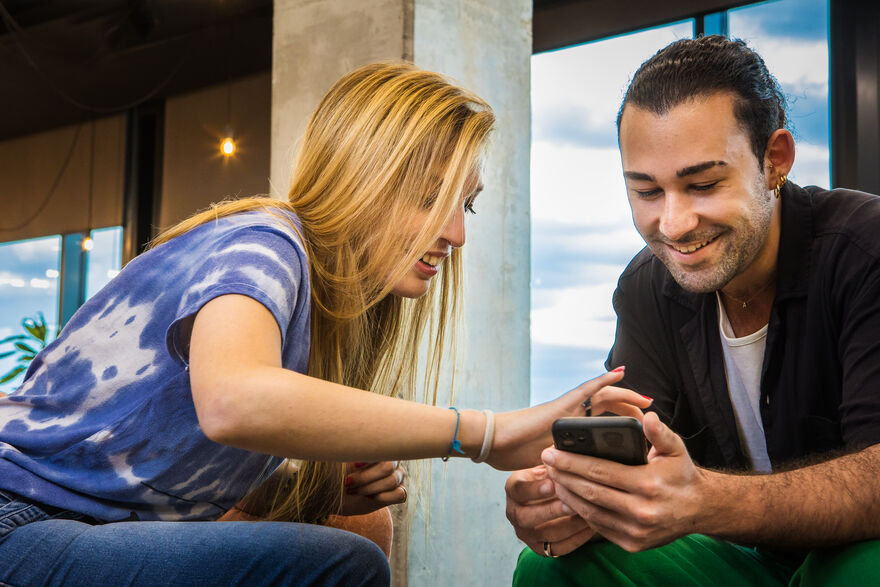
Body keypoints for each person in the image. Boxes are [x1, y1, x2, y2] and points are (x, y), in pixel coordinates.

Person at [0, 62, 645, 586]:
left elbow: (164, 460)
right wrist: (485, 434)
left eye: (465, 206)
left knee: (359, 530)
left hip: (78, 525)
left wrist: (306, 490)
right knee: (345, 564)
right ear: (363, 178)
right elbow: (231, 401)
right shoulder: (267, 243)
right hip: (19, 521)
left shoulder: (318, 297)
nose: (455, 233)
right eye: (428, 197)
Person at [507, 35, 880, 585]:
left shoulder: (866, 250)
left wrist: (707, 501)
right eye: (647, 192)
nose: (674, 225)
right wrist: (573, 498)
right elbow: (644, 453)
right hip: (744, 562)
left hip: (851, 555)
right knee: (549, 567)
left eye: (702, 184)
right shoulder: (646, 287)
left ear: (774, 160)